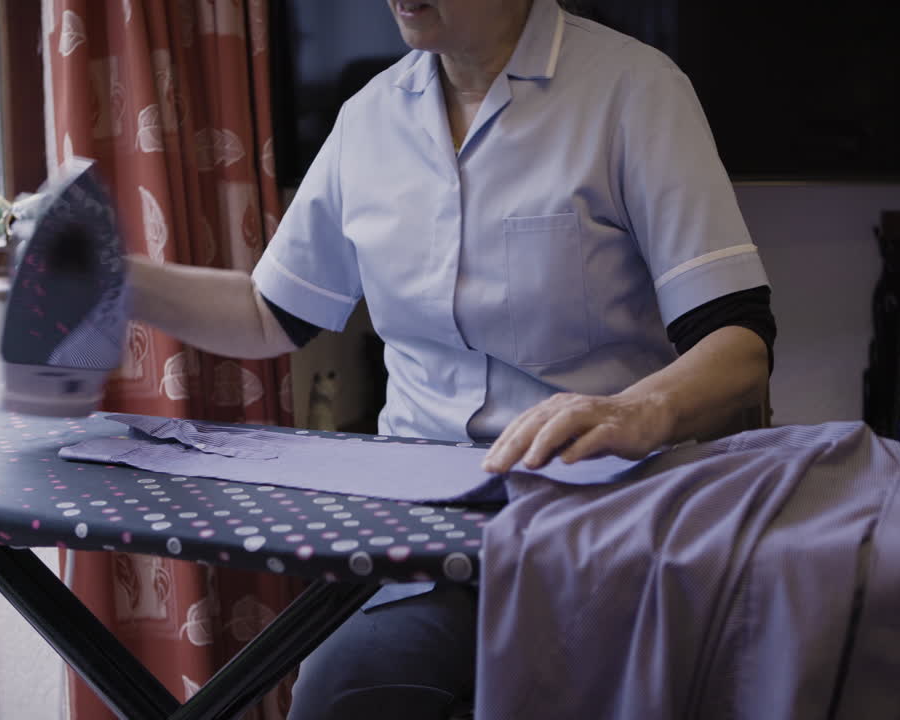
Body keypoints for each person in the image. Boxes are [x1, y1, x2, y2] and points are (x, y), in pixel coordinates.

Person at [128, 0, 776, 716]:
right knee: (337, 689)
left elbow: (739, 343)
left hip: (595, 527)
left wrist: (636, 409)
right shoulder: (369, 119)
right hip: (418, 543)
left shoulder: (637, 91)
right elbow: (268, 313)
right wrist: (114, 275)